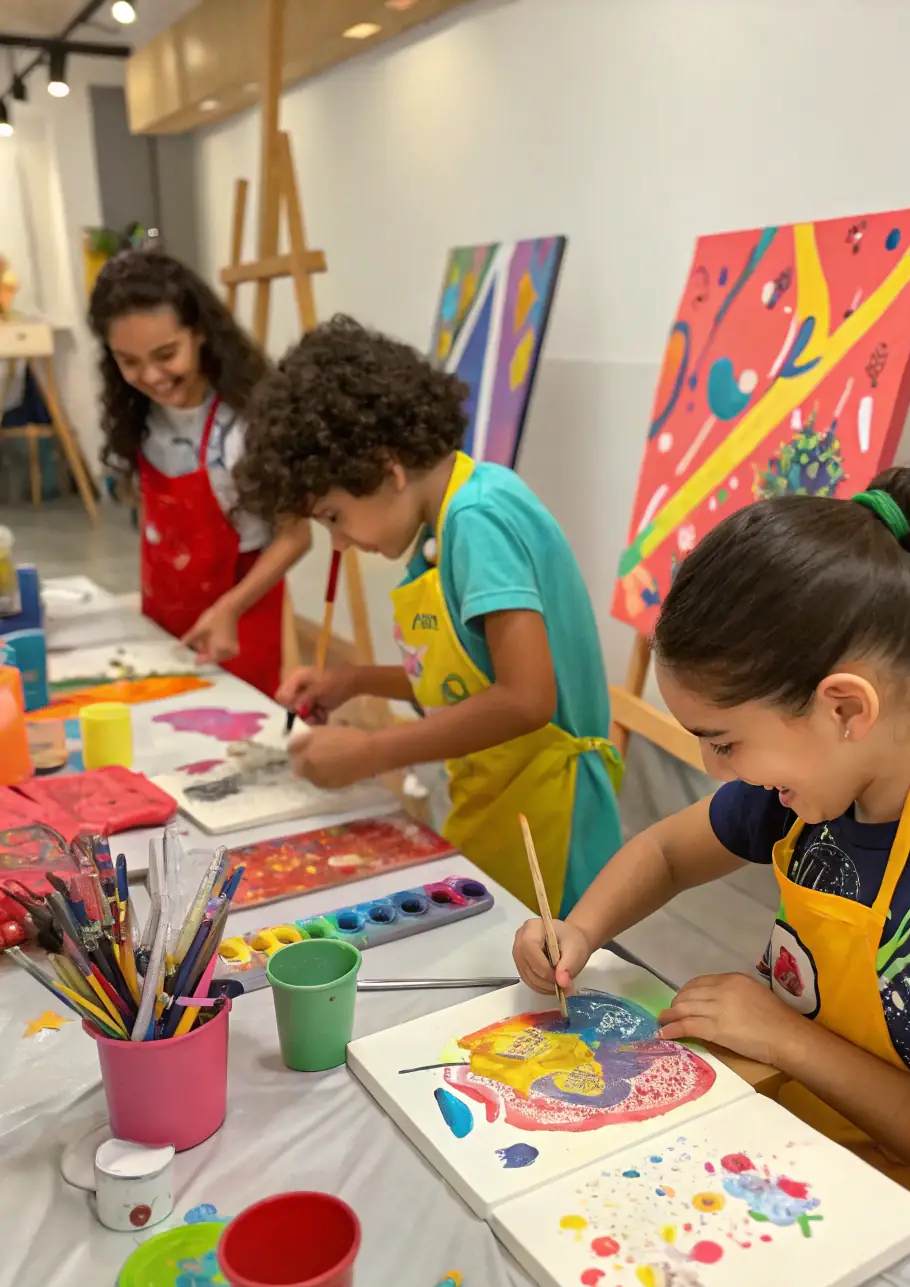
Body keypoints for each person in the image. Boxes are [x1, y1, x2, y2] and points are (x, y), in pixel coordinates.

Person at [514, 454, 910, 1271]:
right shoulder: (819, 781)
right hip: (802, 1168)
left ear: (845, 706)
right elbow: (666, 851)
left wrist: (790, 1040)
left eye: (725, 743)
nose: (716, 771)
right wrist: (580, 929)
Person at [235, 314, 623, 917]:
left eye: (334, 516)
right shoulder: (443, 528)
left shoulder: (477, 517)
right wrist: (354, 681)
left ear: (384, 468)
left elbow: (526, 700)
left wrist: (372, 750)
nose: (338, 542)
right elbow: (469, 682)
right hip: (504, 801)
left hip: (555, 818)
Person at [88, 252, 310, 698]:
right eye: (129, 361)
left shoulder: (245, 425)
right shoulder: (140, 418)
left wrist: (230, 608)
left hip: (239, 621)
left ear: (200, 332)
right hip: (165, 618)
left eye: (166, 355)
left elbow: (296, 537)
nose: (151, 376)